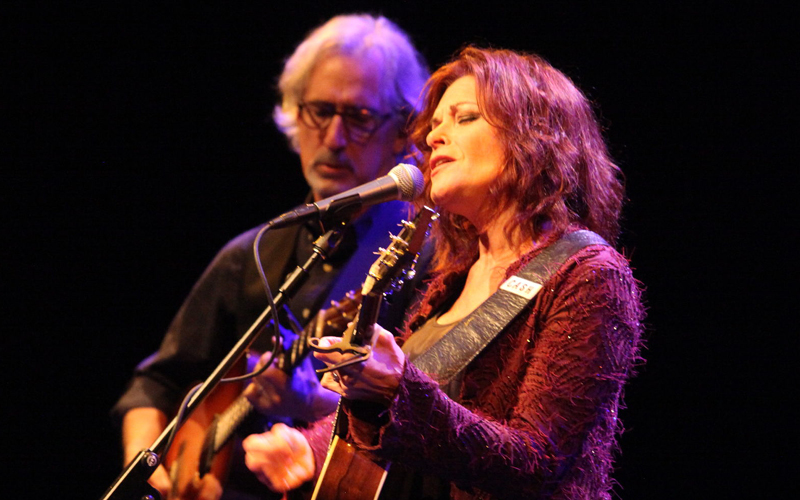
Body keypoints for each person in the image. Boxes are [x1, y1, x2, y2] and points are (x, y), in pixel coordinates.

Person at [241, 46, 645, 500]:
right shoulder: (450, 283)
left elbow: (538, 459)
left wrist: (397, 389)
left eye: (464, 117)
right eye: (434, 126)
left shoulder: (587, 275)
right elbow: (418, 414)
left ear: (536, 135)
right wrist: (310, 447)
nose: (435, 138)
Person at [112, 14, 430, 500]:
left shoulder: (424, 257)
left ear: (404, 132)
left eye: (360, 117)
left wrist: (313, 404)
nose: (333, 138)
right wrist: (147, 461)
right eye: (319, 110)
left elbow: (429, 420)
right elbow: (157, 382)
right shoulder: (251, 252)